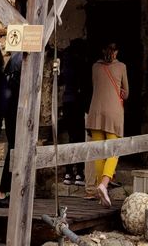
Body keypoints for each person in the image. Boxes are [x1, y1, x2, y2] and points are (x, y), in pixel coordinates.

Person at [86, 42, 128, 207]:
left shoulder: (95, 67)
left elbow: (96, 86)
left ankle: (99, 190)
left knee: (98, 152)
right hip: (113, 114)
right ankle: (104, 184)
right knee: (114, 150)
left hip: (95, 112)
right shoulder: (122, 67)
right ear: (116, 52)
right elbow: (126, 94)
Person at [59, 38, 89, 188]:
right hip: (78, 101)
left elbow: (60, 80)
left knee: (71, 137)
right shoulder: (81, 62)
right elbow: (85, 84)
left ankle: (68, 171)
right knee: (79, 138)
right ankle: (80, 172)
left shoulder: (65, 60)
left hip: (67, 100)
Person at [0, 50, 22, 208]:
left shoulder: (11, 68)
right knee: (14, 151)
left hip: (11, 113)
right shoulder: (19, 71)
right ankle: (3, 192)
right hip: (16, 114)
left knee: (14, 150)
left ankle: (5, 192)